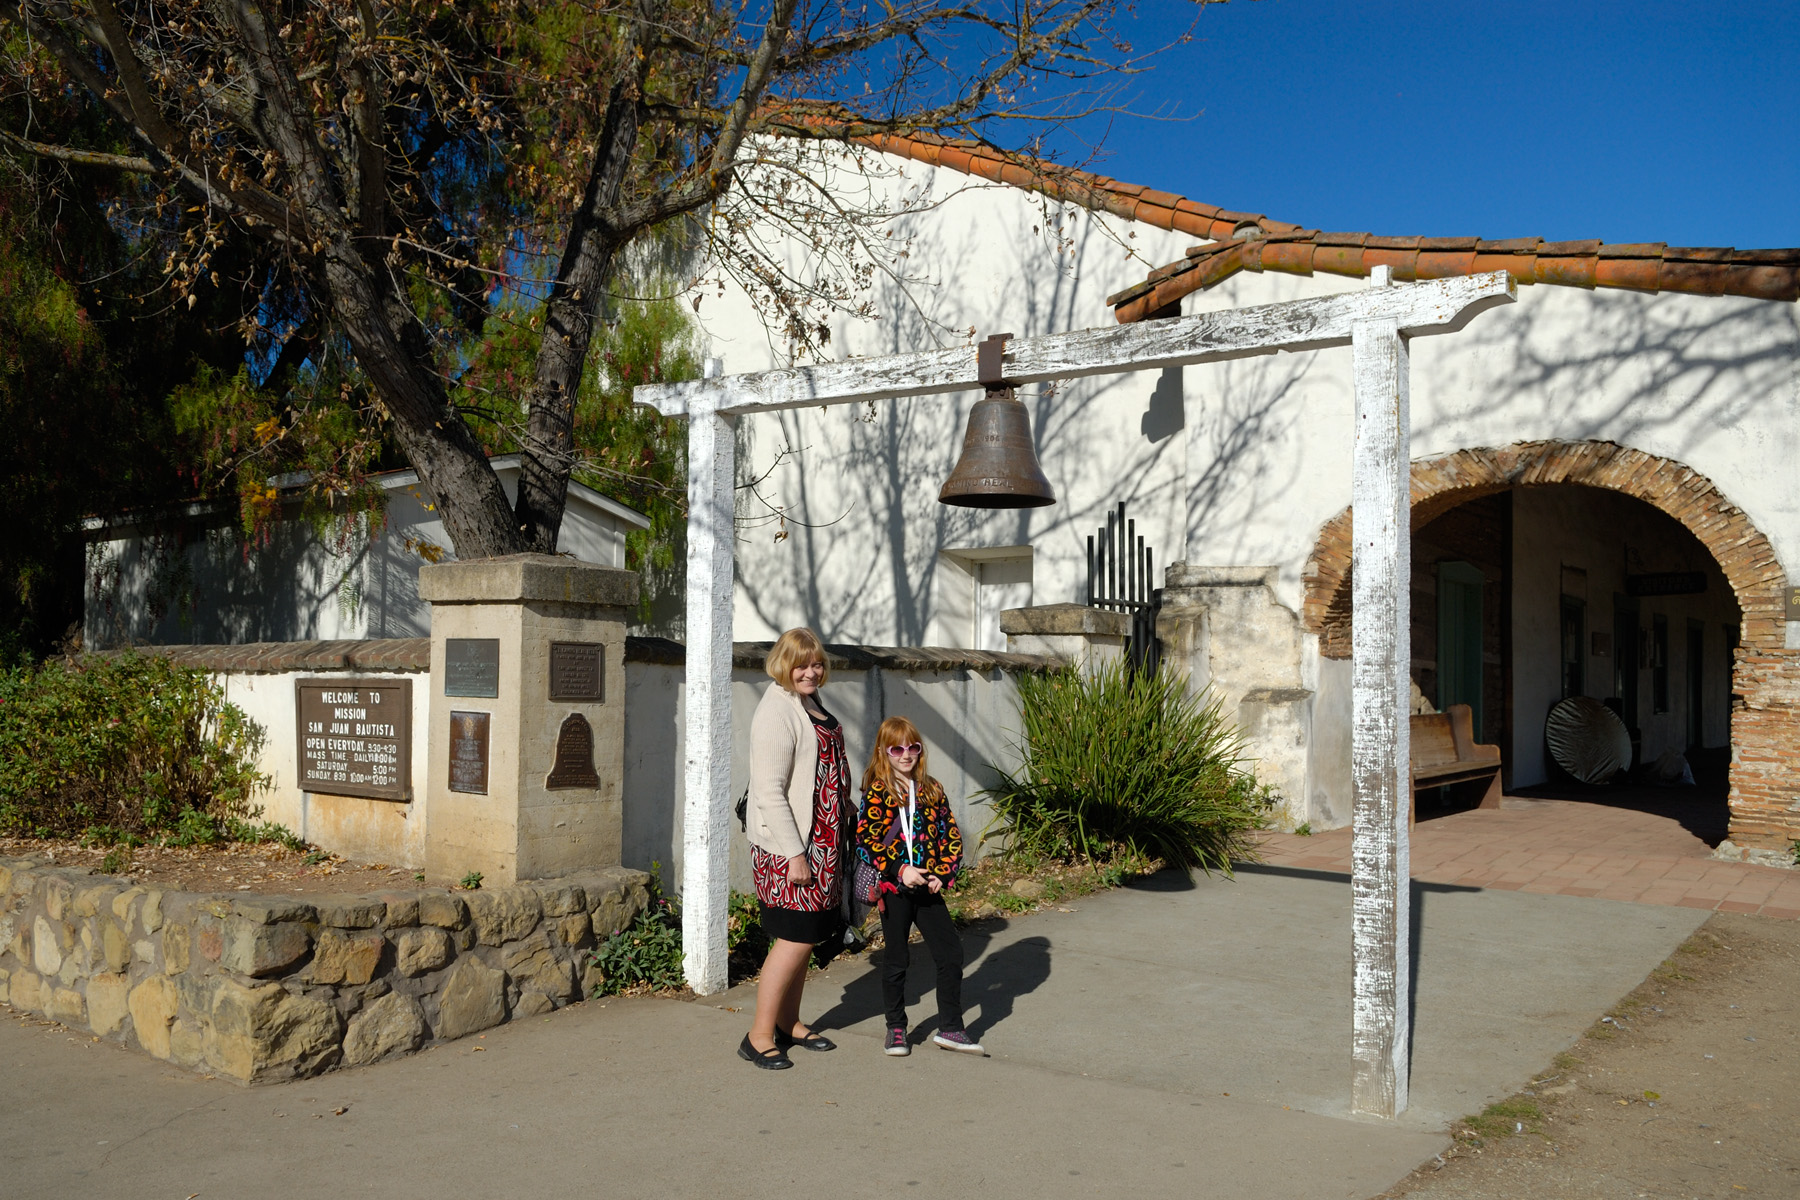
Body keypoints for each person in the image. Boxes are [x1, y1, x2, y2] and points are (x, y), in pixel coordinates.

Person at [739, 628, 849, 1070]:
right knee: (793, 938)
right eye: (801, 665)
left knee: (807, 938)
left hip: (823, 842)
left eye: (817, 663)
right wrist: (795, 854)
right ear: (783, 664)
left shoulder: (808, 701)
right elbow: (768, 790)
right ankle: (758, 1035)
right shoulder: (776, 711)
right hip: (792, 847)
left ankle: (789, 1022)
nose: (811, 672)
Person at [856, 716, 984, 1057]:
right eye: (897, 749)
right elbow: (865, 841)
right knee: (897, 959)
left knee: (950, 954)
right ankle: (896, 1028)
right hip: (895, 889)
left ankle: (951, 1028)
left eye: (912, 747)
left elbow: (950, 835)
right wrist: (900, 870)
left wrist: (943, 872)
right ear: (883, 752)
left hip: (927, 886)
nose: (906, 755)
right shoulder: (878, 791)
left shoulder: (932, 789)